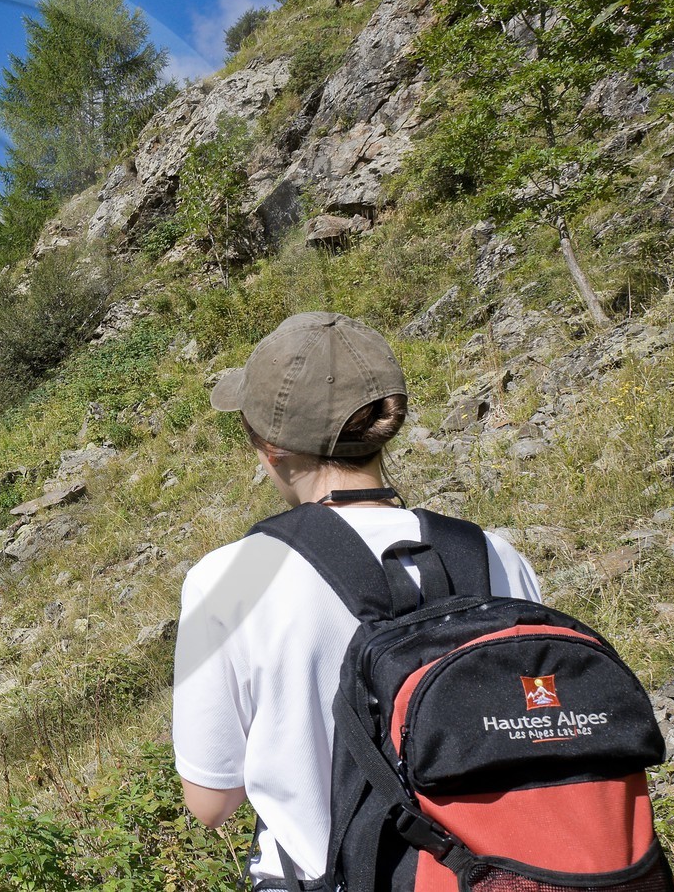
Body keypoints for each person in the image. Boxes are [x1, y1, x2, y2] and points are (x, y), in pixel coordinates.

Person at [170, 312, 542, 889]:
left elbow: (211, 802)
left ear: (270, 449)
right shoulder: (492, 553)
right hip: (502, 872)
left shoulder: (231, 579)